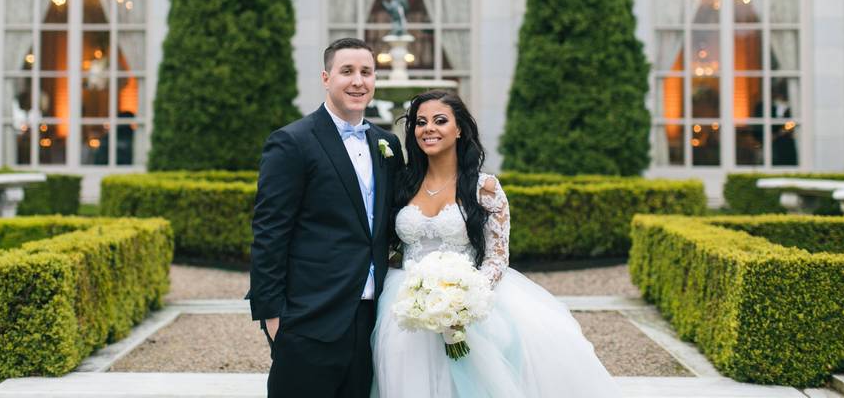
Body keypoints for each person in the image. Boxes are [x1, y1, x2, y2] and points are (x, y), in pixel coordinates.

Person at [372, 90, 621, 397]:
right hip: (405, 303)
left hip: (470, 300)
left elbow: (496, 257)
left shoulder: (484, 187)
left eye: (440, 120)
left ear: (459, 128)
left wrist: (462, 300)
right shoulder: (402, 184)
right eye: (421, 122)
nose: (429, 129)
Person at [248, 38, 405, 398]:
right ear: (325, 77)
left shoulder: (388, 145)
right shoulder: (291, 142)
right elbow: (269, 233)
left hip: (372, 318)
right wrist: (272, 316)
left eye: (366, 72)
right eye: (346, 71)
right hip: (309, 317)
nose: (357, 81)